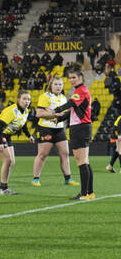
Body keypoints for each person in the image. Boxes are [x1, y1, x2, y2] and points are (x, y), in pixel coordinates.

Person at [48, 68, 94, 200]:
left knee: (81, 161)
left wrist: (56, 110)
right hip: (82, 127)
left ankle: (84, 193)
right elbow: (73, 112)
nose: (72, 80)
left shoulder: (81, 90)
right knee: (85, 161)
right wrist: (60, 118)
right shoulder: (81, 91)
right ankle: (89, 193)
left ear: (80, 77)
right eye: (70, 78)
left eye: (74, 77)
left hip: (80, 129)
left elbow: (70, 104)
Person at [31, 76, 78, 187]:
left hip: (59, 129)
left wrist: (60, 116)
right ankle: (35, 179)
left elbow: (63, 114)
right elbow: (38, 114)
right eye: (56, 84)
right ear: (50, 85)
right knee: (43, 154)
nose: (58, 87)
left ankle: (68, 178)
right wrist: (53, 114)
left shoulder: (63, 98)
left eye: (60, 84)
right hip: (46, 128)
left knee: (65, 153)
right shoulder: (45, 96)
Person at [0, 90, 35, 195]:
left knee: (12, 162)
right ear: (18, 100)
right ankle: (3, 189)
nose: (27, 101)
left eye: (28, 99)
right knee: (7, 160)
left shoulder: (25, 111)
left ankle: (3, 187)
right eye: (24, 99)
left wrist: (29, 135)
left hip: (6, 135)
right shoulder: (12, 110)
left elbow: (23, 125)